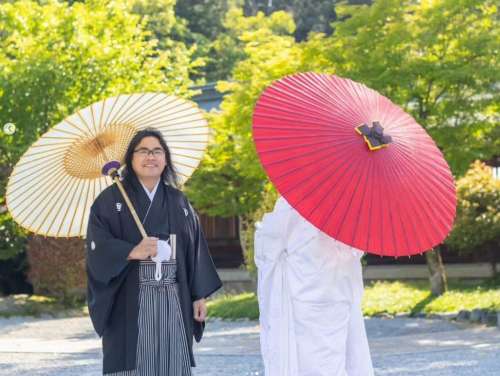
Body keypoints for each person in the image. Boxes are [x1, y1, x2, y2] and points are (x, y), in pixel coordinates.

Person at [86, 127, 222, 375]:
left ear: (166, 158)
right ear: (131, 158)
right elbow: (97, 247)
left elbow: (194, 248)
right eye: (144, 151)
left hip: (174, 296)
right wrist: (131, 251)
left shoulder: (178, 200)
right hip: (129, 297)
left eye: (157, 151)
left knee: (172, 362)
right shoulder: (109, 201)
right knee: (134, 363)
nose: (151, 157)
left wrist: (198, 295)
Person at [254, 196, 374, 376]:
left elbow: (270, 245)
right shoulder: (351, 204)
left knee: (309, 361)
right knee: (333, 359)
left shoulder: (294, 200)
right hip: (336, 293)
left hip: (304, 293)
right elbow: (357, 249)